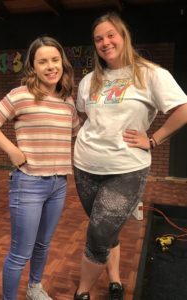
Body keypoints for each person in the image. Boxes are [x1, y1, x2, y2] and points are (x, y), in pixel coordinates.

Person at [73, 12, 187, 300]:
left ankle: (82, 292)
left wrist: (153, 139)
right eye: (98, 38)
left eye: (111, 35)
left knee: (98, 235)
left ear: (123, 36)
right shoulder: (89, 80)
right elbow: (86, 116)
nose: (105, 42)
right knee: (106, 230)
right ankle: (114, 279)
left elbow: (182, 109)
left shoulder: (151, 74)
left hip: (126, 169)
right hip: (85, 166)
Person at [0, 36, 80, 300]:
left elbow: (79, 134)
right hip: (29, 184)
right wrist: (12, 150)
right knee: (20, 252)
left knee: (43, 244)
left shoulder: (67, 100)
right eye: (42, 61)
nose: (50, 66)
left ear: (62, 63)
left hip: (59, 184)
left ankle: (34, 288)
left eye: (55, 60)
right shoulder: (20, 95)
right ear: (33, 67)